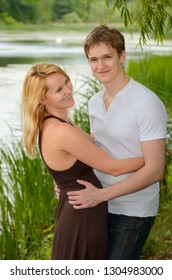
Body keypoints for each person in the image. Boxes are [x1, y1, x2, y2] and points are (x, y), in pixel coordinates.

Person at [21, 62, 144, 260]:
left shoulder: (60, 121)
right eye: (59, 89)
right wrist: (151, 157)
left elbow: (67, 164)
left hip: (81, 212)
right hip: (81, 221)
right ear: (42, 98)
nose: (68, 90)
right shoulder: (61, 130)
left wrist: (64, 183)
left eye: (67, 82)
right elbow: (113, 168)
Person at [67, 25, 167, 260]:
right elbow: (99, 153)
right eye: (93, 59)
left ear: (122, 56)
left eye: (107, 57)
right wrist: (69, 184)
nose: (100, 66)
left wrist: (101, 195)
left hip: (133, 210)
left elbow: (154, 170)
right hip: (100, 205)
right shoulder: (94, 102)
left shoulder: (146, 103)